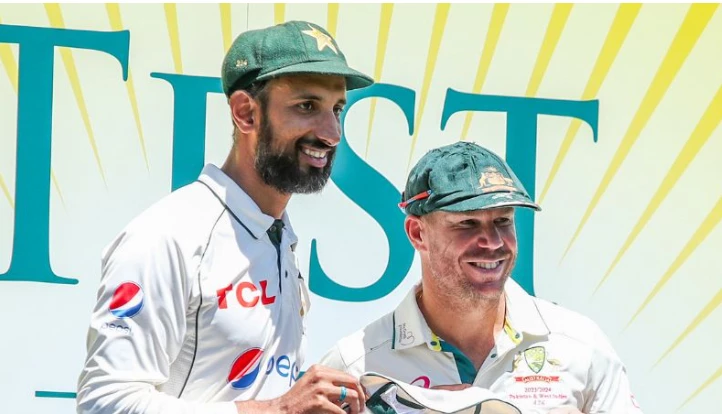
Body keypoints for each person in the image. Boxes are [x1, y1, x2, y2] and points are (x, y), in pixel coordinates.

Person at [77, 21, 373, 414]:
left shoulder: (277, 232)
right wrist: (279, 410)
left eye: (337, 109)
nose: (332, 132)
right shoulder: (166, 237)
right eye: (307, 106)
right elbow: (104, 403)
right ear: (245, 114)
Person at [319, 142, 644, 413]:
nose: (493, 242)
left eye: (503, 221)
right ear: (418, 233)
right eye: (468, 224)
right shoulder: (356, 365)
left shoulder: (580, 345)